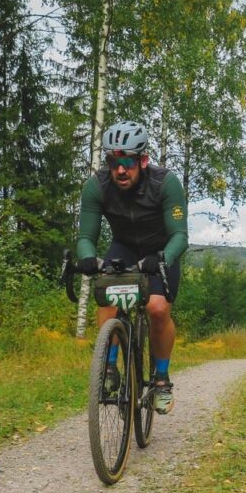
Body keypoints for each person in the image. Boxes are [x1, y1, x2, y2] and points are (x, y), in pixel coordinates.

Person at [74, 120, 188, 414]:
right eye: (113, 162)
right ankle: (109, 366)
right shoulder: (97, 186)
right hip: (124, 248)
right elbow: (86, 237)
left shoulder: (165, 183)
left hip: (161, 250)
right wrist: (88, 258)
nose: (120, 170)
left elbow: (180, 236)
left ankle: (161, 379)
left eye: (127, 161)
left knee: (158, 309)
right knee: (108, 299)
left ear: (143, 160)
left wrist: (163, 258)